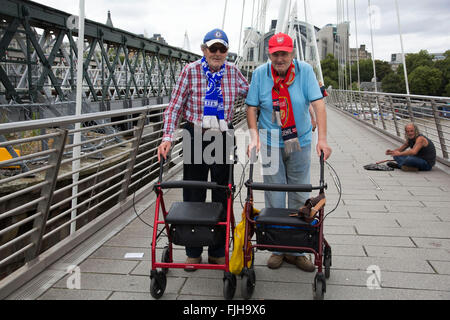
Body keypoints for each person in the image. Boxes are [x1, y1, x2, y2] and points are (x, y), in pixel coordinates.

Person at [157, 28, 249, 270]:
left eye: (222, 49)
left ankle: (218, 250)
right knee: (193, 193)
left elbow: (254, 95)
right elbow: (174, 107)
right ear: (204, 50)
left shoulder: (233, 72)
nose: (217, 53)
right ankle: (193, 251)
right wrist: (167, 137)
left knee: (222, 192)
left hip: (223, 135)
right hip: (195, 134)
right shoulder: (190, 71)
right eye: (213, 48)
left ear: (227, 51)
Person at [245, 33, 332, 272]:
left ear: (292, 53)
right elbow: (251, 107)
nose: (280, 58)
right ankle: (277, 248)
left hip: (299, 140)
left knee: (298, 192)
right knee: (274, 193)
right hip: (271, 139)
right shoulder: (260, 74)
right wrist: (254, 137)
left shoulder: (305, 72)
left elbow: (319, 106)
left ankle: (297, 249)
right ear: (269, 54)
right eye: (275, 54)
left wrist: (322, 139)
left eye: (284, 53)